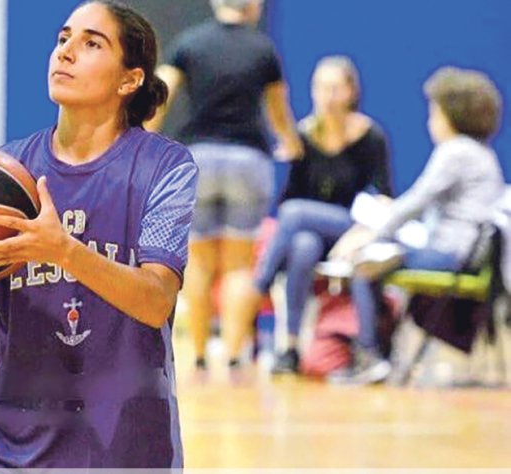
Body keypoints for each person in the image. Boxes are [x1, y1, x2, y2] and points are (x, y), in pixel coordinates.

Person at [0, 1, 197, 468]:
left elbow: (155, 301)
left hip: (126, 452)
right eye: (63, 38)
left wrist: (63, 250)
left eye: (92, 43)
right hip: (14, 452)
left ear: (129, 80)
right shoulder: (3, 175)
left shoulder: (163, 167)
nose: (65, 51)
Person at [145, 0, 302, 372]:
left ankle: (199, 355)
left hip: (198, 159)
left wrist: (143, 137)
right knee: (239, 265)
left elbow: (161, 93)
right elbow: (278, 110)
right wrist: (291, 143)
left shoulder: (189, 43)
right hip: (248, 161)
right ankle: (233, 355)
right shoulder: (263, 49)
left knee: (198, 263)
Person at [331, 66, 505, 385]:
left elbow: (415, 202)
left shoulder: (455, 152)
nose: (429, 122)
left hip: (452, 255)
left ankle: (370, 356)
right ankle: (383, 352)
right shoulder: (482, 154)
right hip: (466, 254)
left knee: (365, 263)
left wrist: (371, 234)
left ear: (451, 115)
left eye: (434, 114)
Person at [252, 56, 393, 374]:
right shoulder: (303, 136)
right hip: (314, 232)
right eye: (320, 87)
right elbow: (290, 195)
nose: (326, 96)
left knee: (294, 214)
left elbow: (385, 194)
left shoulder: (371, 136)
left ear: (351, 92)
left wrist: (364, 231)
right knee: (302, 245)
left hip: (352, 229)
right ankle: (290, 348)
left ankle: (259, 285)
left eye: (334, 88)